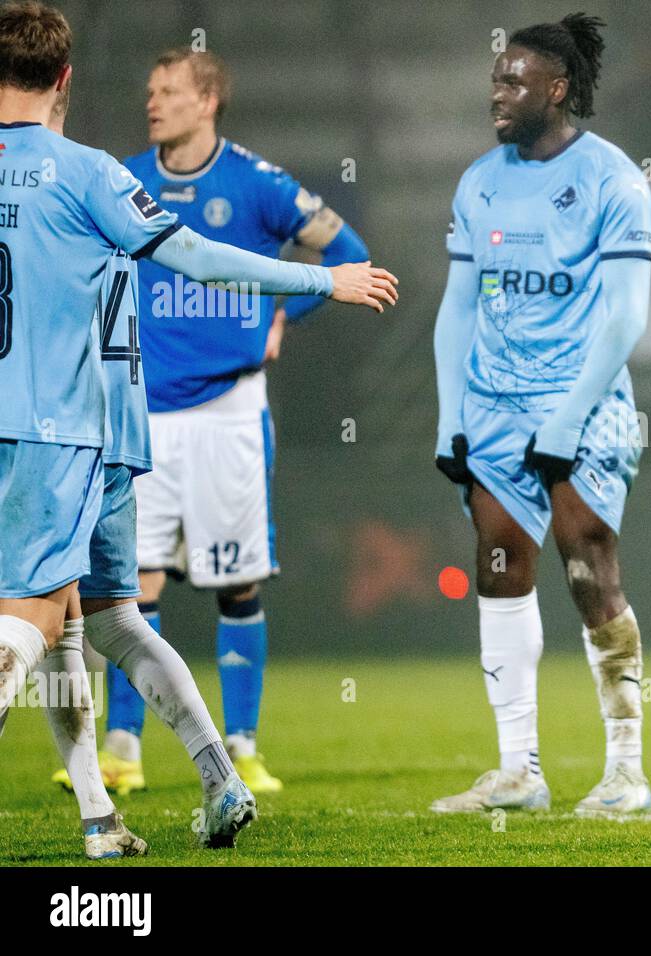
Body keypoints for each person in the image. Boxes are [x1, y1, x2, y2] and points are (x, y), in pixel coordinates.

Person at [0, 0, 397, 855]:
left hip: (33, 432)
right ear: (64, 78)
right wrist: (322, 283)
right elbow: (193, 255)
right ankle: (146, 801)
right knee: (97, 619)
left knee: (52, 619)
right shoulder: (94, 174)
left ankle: (193, 778)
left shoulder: (119, 176)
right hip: (99, 429)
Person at [82, 47, 373, 797]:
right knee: (129, 588)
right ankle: (123, 747)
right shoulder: (122, 180)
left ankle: (241, 744)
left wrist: (286, 311)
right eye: (150, 91)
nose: (154, 103)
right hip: (143, 408)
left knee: (237, 584)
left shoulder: (257, 182)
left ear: (207, 100)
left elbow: (348, 252)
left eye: (170, 91)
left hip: (231, 410)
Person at [431, 13, 651, 816]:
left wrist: (563, 422)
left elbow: (625, 316)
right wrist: (449, 414)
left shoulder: (614, 180)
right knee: (499, 564)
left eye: (513, 81)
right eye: (496, 79)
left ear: (556, 89)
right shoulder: (479, 179)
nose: (497, 93)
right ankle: (518, 770)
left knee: (588, 565)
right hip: (492, 405)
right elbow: (458, 308)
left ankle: (626, 771)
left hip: (581, 403)